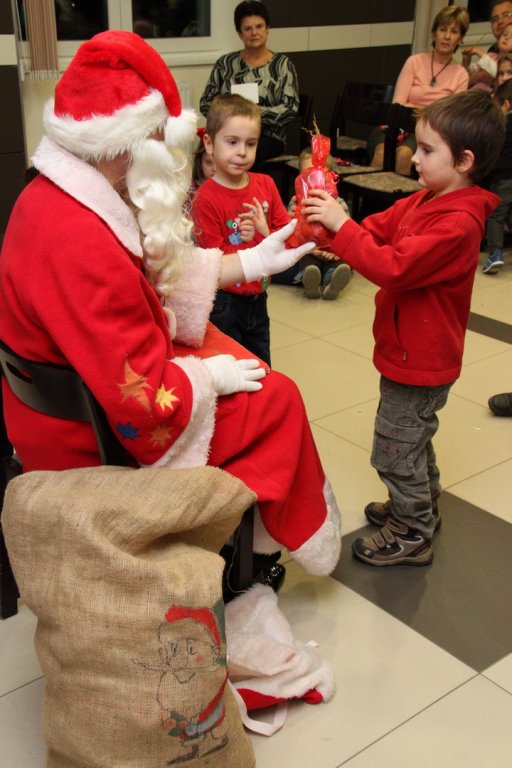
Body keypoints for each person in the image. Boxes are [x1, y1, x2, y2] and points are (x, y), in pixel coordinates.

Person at [0, 31, 342, 581]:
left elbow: (144, 273)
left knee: (251, 372)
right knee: (276, 397)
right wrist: (208, 377)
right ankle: (255, 560)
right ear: (127, 143)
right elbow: (141, 402)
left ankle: (242, 545)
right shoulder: (78, 237)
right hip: (88, 437)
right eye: (160, 140)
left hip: (66, 404)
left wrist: (249, 261)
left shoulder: (57, 194)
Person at [301, 90, 505, 566]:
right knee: (413, 439)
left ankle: (412, 532)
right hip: (407, 350)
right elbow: (381, 227)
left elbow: (393, 267)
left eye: (427, 150)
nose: (414, 156)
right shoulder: (427, 199)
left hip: (422, 360)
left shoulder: (457, 224)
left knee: (394, 450)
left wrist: (343, 230)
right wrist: (338, 236)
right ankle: (422, 505)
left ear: (465, 162)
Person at [192, 93, 290, 366]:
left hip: (259, 297)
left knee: (261, 366)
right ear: (209, 144)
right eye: (232, 142)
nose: (242, 152)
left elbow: (286, 234)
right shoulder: (205, 199)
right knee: (233, 368)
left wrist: (264, 232)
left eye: (251, 143)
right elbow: (214, 263)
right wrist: (255, 242)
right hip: (225, 303)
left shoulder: (266, 184)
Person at [369, 5, 469, 176]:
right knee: (381, 153)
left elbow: (451, 119)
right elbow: (398, 103)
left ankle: (400, 195)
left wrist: (419, 115)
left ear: (461, 39)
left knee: (404, 155)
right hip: (396, 126)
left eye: (454, 31)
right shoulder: (414, 61)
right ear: (434, 34)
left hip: (431, 134)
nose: (446, 36)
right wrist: (426, 112)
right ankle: (367, 194)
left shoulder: (461, 74)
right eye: (442, 29)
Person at [199, 1, 299, 170]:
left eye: (259, 26)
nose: (254, 33)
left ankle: (247, 187)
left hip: (269, 136)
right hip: (229, 133)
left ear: (267, 29)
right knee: (207, 150)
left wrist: (255, 113)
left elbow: (291, 108)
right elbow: (205, 103)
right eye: (247, 28)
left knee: (245, 152)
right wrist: (229, 114)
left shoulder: (283, 65)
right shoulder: (226, 64)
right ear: (239, 33)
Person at [289, 148, 352, 300]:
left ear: (329, 177)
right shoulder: (297, 203)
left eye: (317, 176)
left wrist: (336, 250)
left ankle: (332, 281)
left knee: (342, 261)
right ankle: (310, 280)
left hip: (332, 249)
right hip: (308, 249)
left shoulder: (337, 203)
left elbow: (346, 229)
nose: (312, 181)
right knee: (305, 260)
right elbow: (290, 231)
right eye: (306, 175)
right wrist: (309, 248)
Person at [482, 80, 512, 274]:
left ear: (506, 104)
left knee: (496, 215)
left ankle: (495, 254)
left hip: (504, 178)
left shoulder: (503, 125)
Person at [462, 1, 512, 90]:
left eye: (506, 15)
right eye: (495, 19)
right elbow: (466, 76)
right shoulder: (492, 53)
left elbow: (496, 72)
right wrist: (466, 62)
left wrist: (481, 55)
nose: (500, 21)